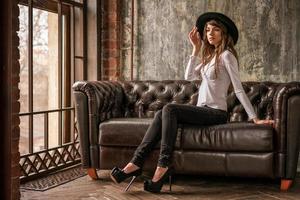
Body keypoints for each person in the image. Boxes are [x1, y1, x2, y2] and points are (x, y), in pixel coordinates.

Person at [110, 12, 274, 193]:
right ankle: (135, 163)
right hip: (201, 111)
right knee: (160, 113)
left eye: (215, 30)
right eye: (208, 30)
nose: (210, 33)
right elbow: (189, 77)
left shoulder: (227, 56)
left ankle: (163, 165)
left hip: (216, 113)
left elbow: (238, 89)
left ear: (224, 34)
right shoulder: (210, 58)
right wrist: (195, 48)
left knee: (169, 109)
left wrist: (254, 118)